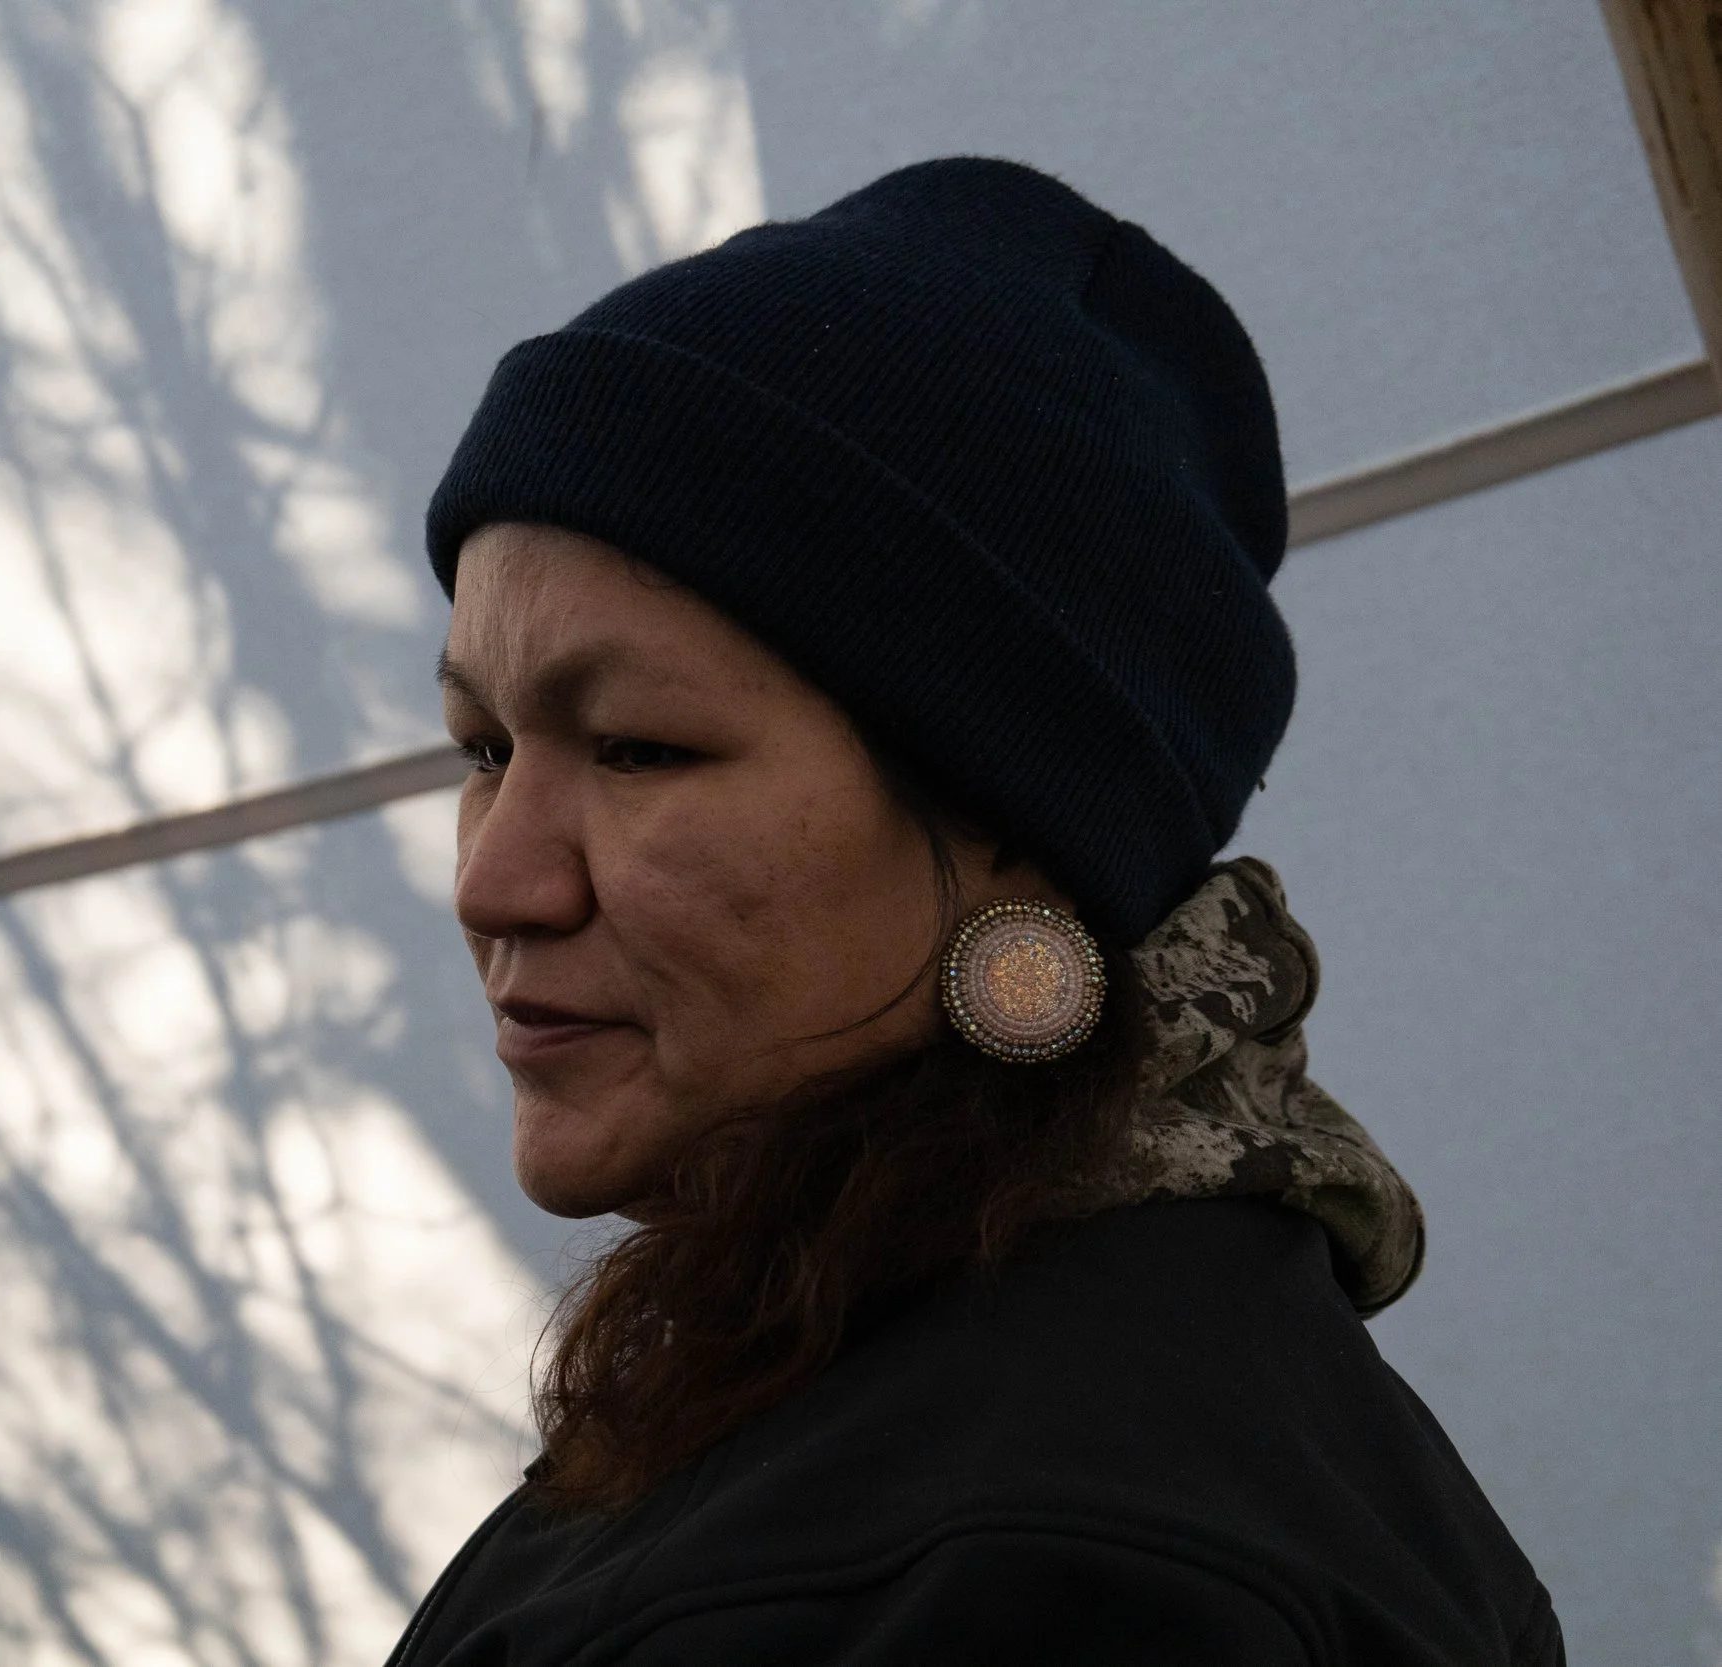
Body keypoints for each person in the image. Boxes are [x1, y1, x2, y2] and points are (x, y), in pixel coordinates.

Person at [385, 158, 1562, 1666]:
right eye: (483, 748)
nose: (495, 881)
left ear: (1018, 821)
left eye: (639, 748)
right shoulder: (878, 1382)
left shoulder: (1027, 1569)